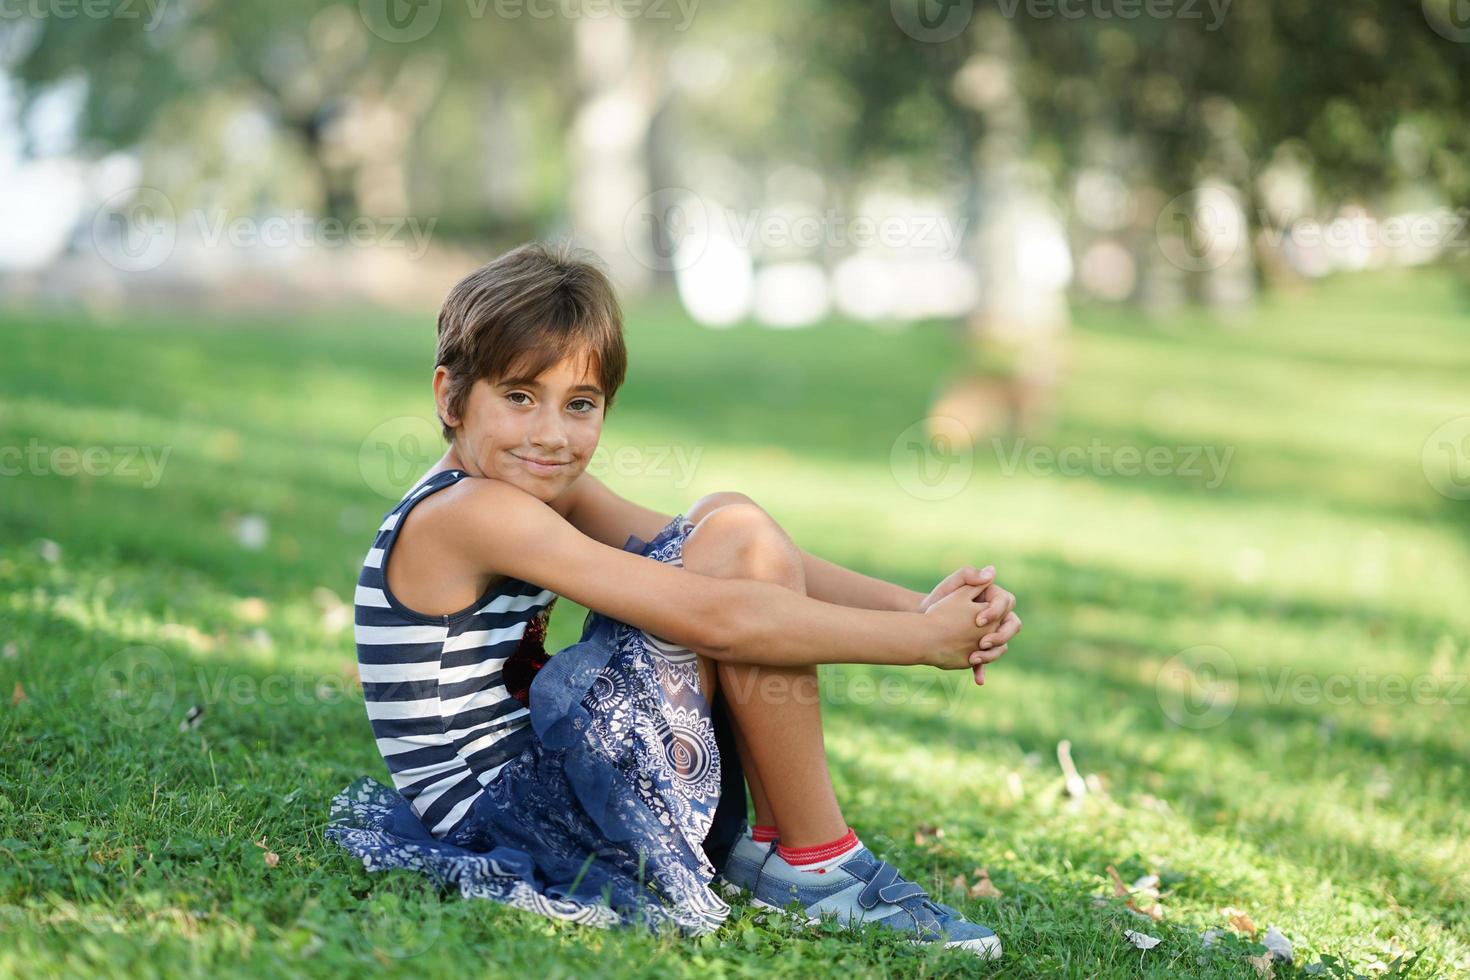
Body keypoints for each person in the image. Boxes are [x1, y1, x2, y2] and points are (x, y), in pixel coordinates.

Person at [326, 240, 1022, 958]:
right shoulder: (469, 513)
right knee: (733, 548)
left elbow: (721, 549)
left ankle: (782, 855)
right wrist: (921, 644)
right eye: (519, 397)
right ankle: (817, 863)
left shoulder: (528, 483)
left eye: (581, 404)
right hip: (521, 820)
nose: (552, 434)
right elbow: (719, 618)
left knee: (729, 520)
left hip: (559, 790)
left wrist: (920, 608)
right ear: (449, 397)